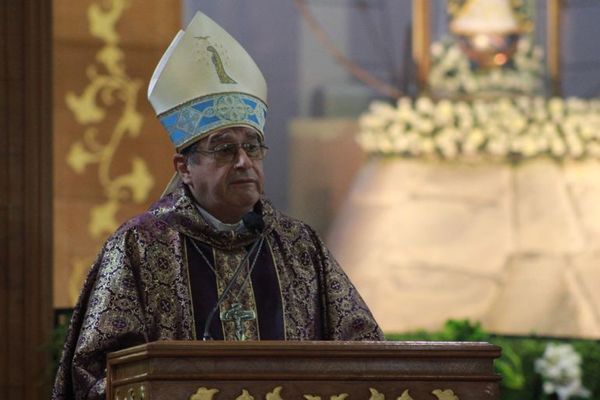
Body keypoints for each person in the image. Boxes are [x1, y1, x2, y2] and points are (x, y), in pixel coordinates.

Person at [52, 11, 383, 400]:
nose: (243, 161)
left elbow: (364, 351)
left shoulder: (299, 247)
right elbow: (93, 372)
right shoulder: (139, 248)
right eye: (225, 149)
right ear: (184, 168)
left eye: (253, 146)